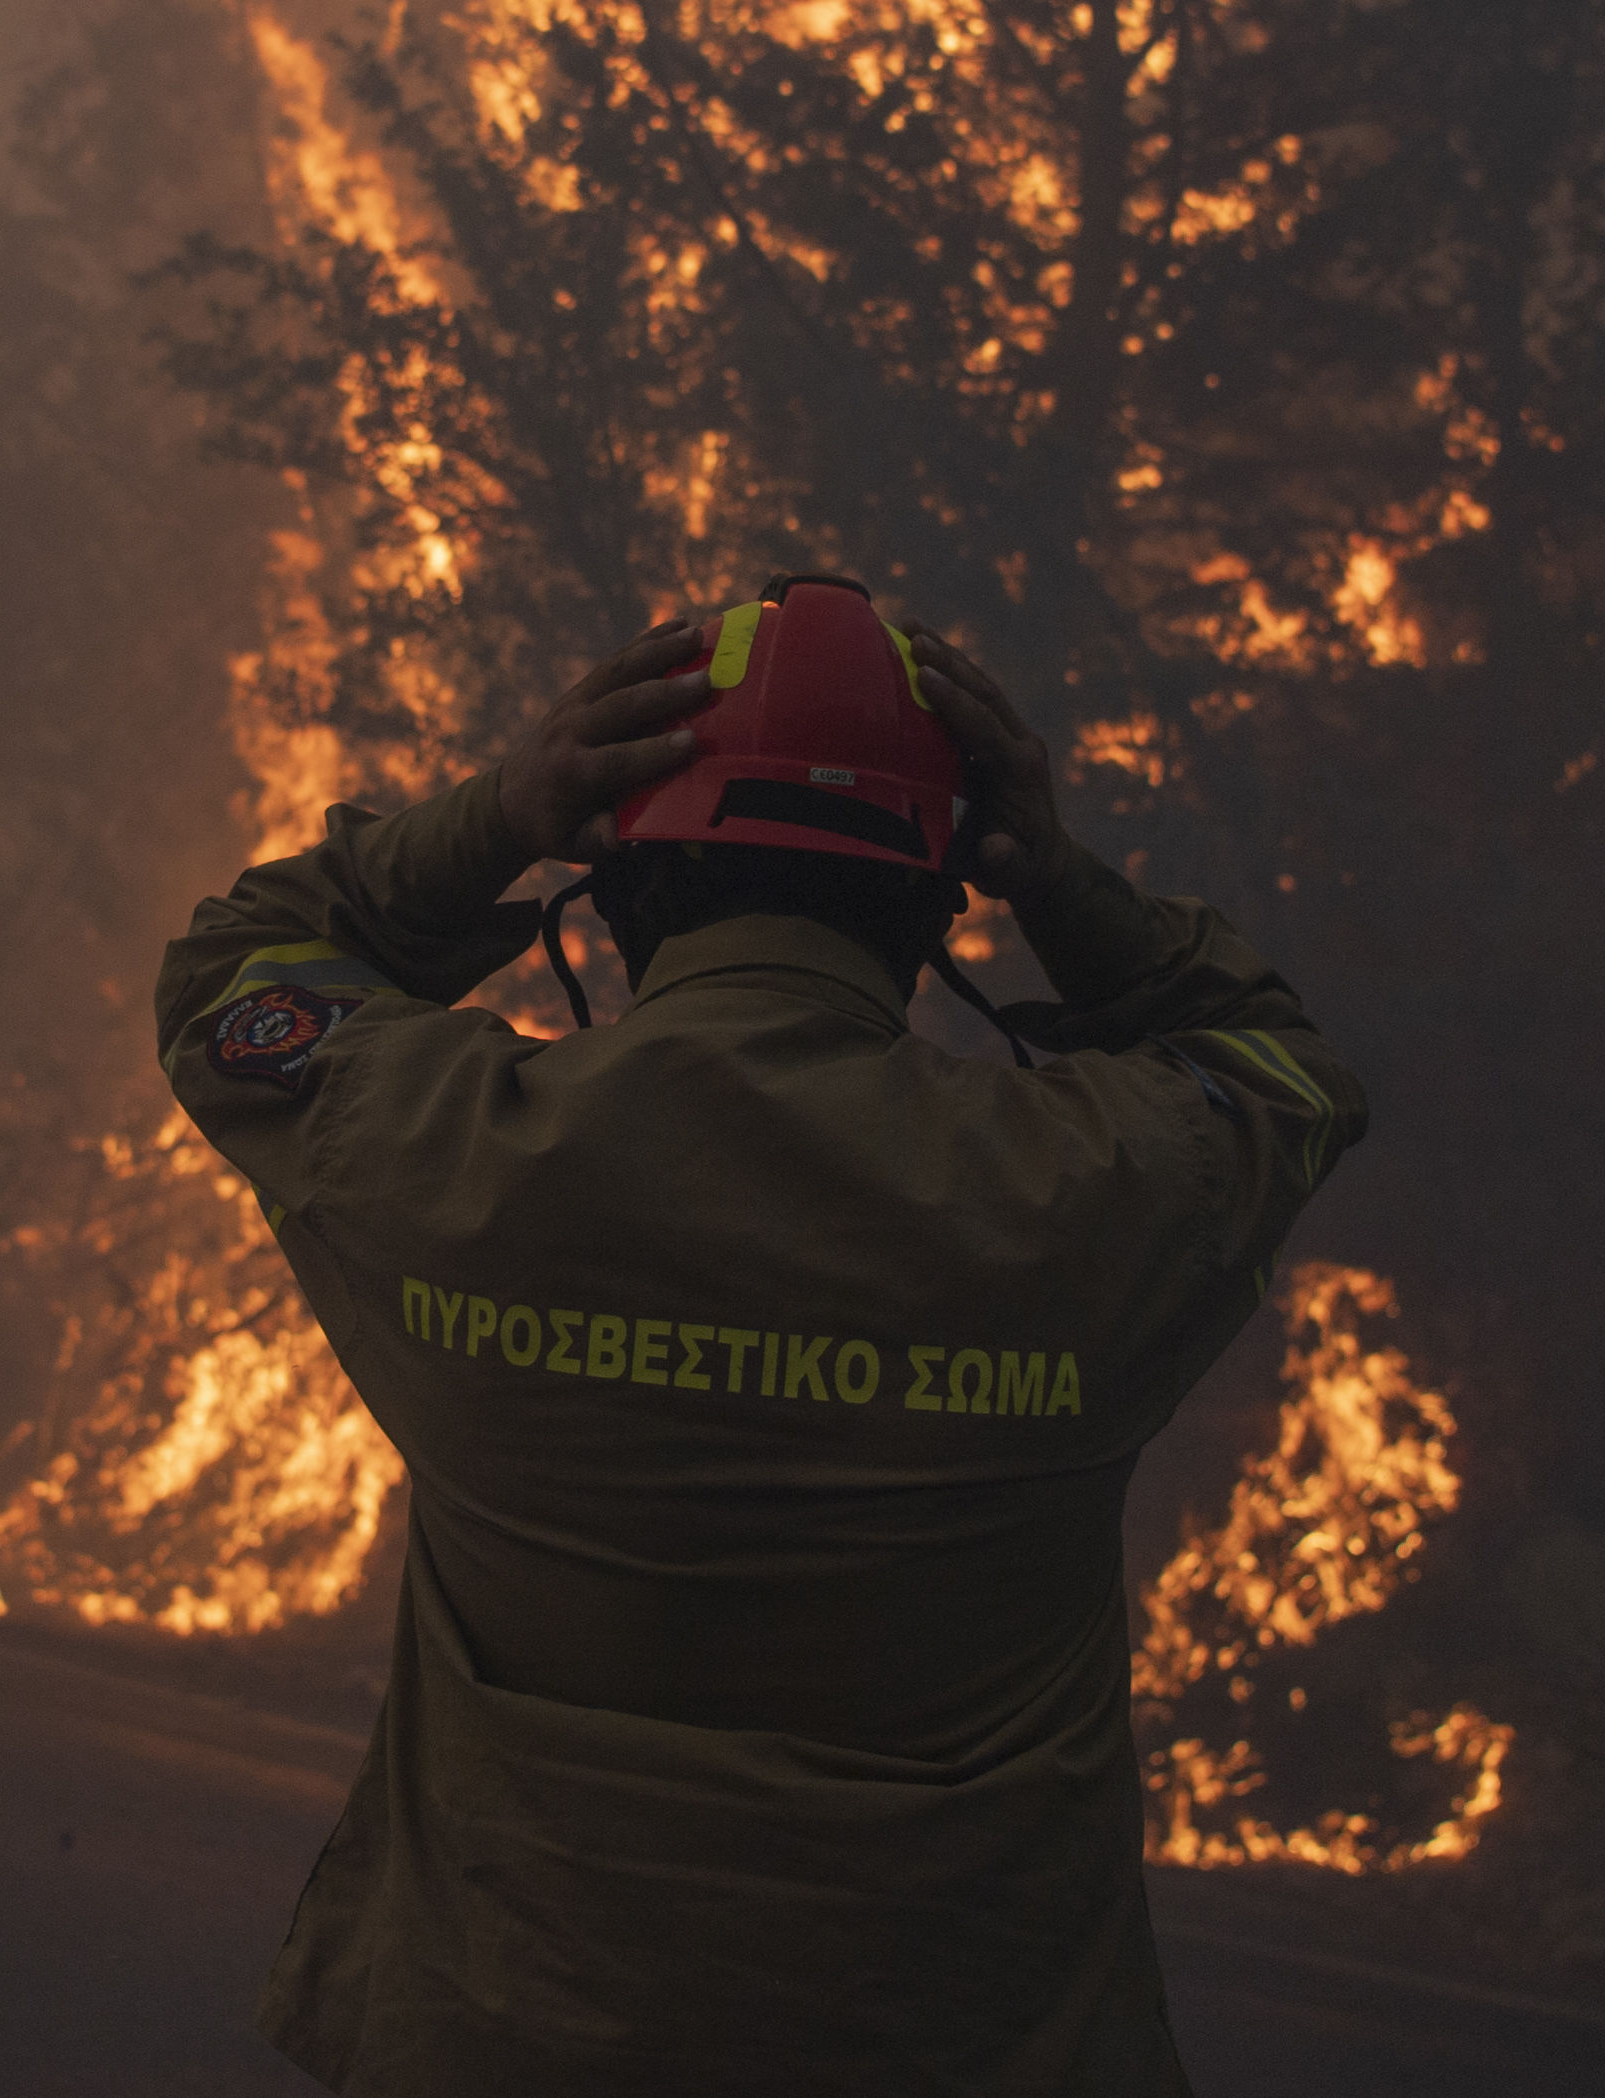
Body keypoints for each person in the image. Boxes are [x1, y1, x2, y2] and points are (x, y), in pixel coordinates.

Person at [154, 573, 1367, 2096]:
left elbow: (231, 976)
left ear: (625, 880)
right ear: (941, 906)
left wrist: (500, 813)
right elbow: (1280, 1070)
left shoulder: (449, 1148)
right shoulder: (1083, 1192)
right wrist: (1061, 883)